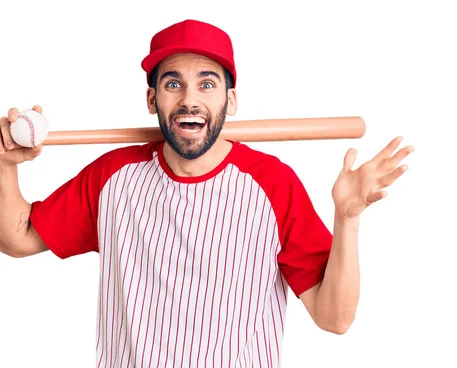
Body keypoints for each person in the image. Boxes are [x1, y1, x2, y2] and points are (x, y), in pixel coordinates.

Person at [0, 19, 413, 367]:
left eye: (207, 84)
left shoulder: (273, 184)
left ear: (230, 101)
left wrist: (347, 218)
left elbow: (334, 318)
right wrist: (4, 163)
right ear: (152, 99)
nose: (190, 100)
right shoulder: (113, 176)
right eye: (173, 83)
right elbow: (17, 238)